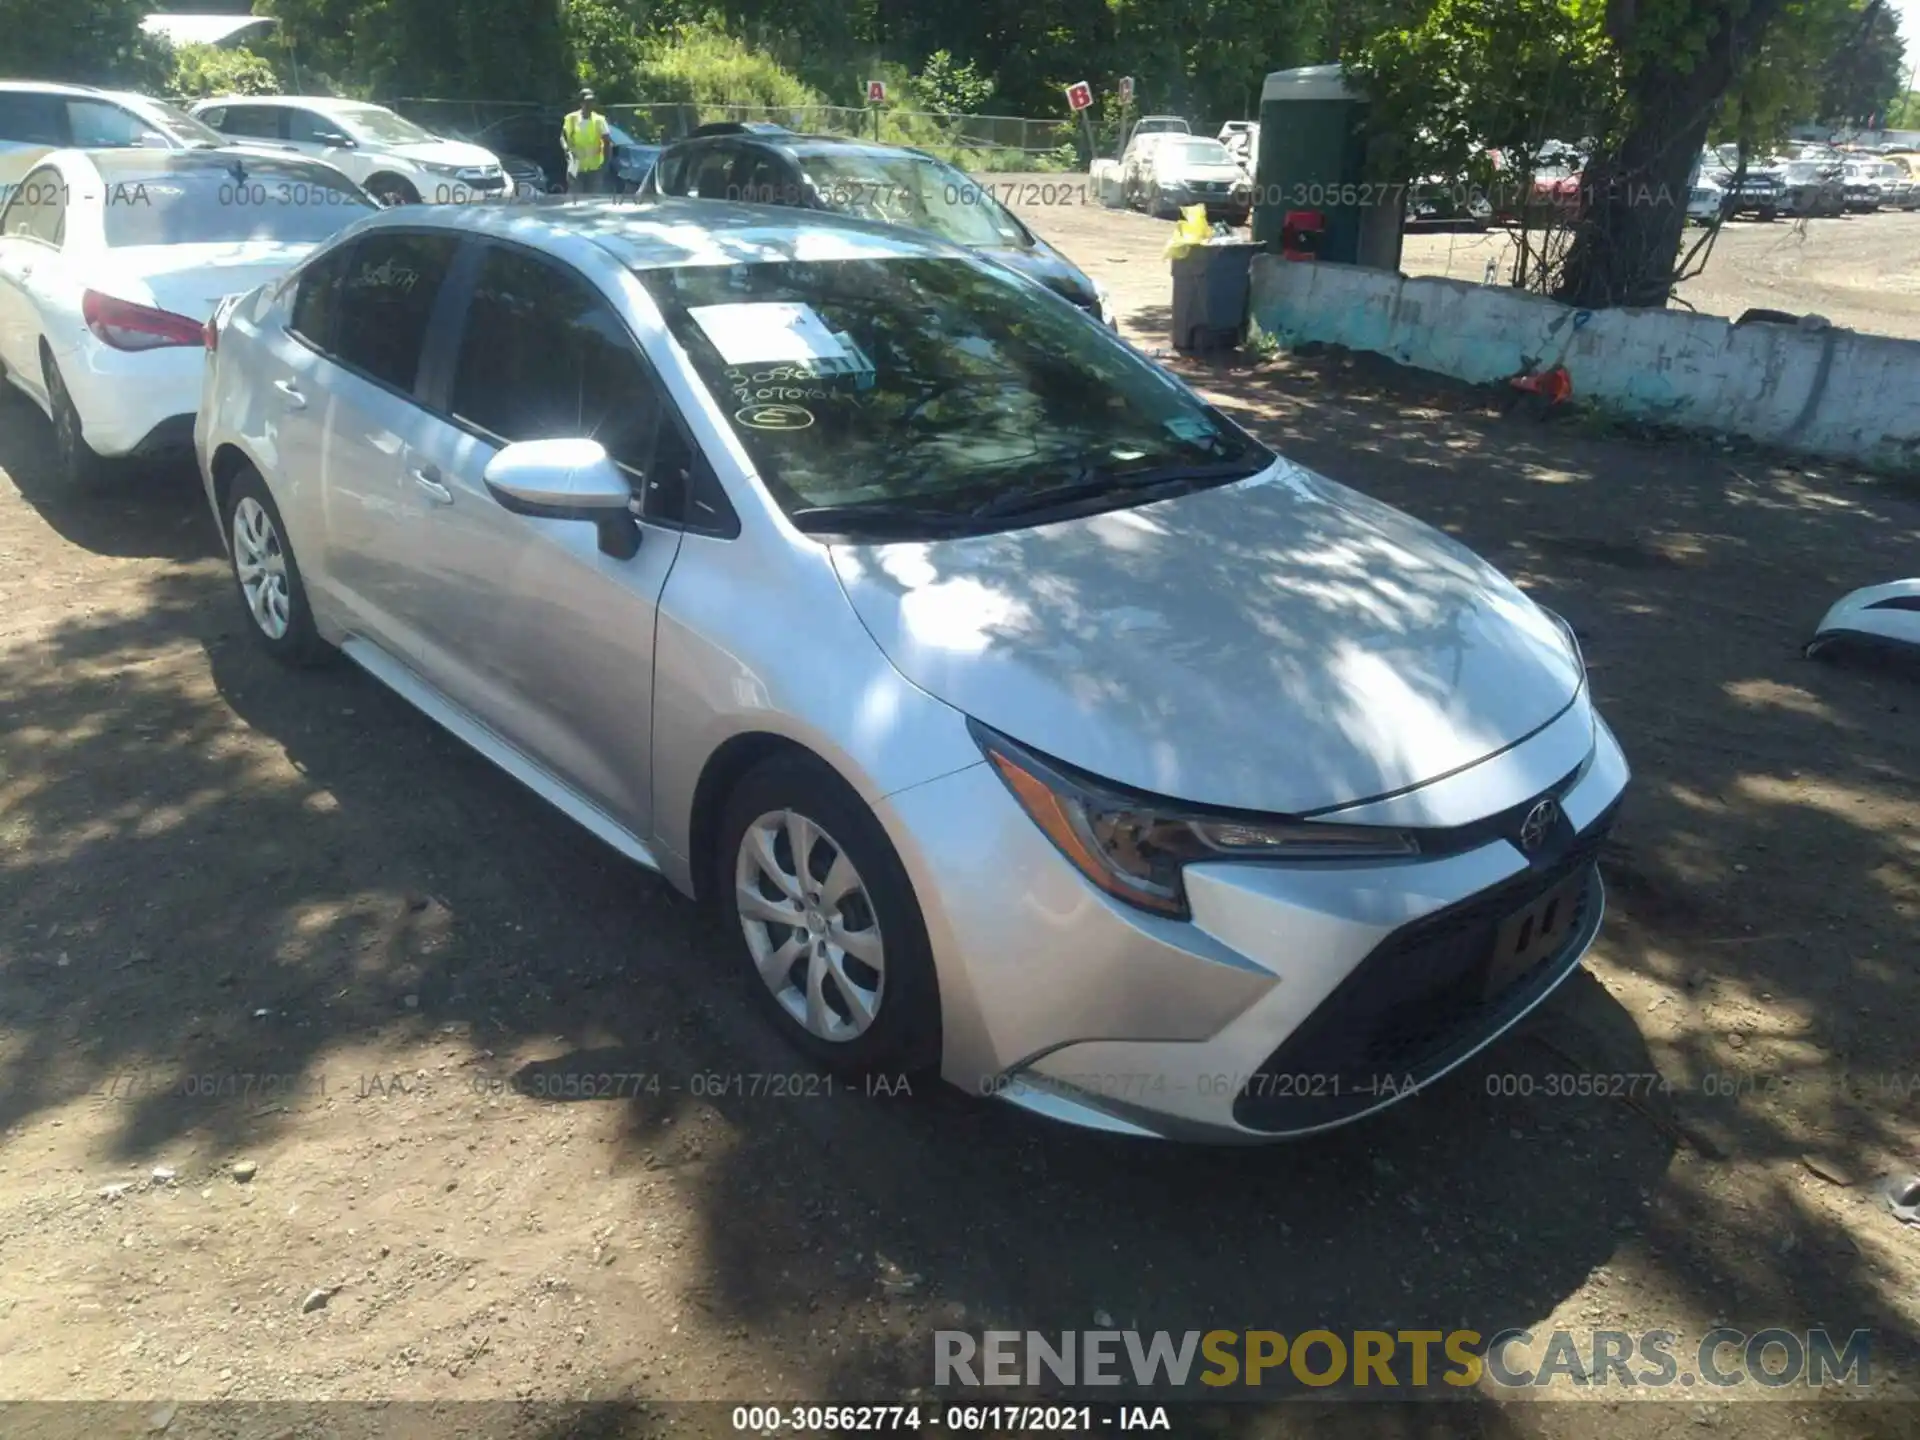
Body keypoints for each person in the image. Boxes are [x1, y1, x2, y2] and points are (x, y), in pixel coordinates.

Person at [562, 89, 613, 195]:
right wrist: (567, 149)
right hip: (576, 167)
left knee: (593, 199)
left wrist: (605, 165)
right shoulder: (571, 118)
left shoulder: (599, 120)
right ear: (581, 103)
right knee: (575, 198)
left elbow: (607, 142)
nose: (590, 104)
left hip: (595, 168)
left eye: (592, 101)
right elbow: (563, 137)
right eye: (587, 102)